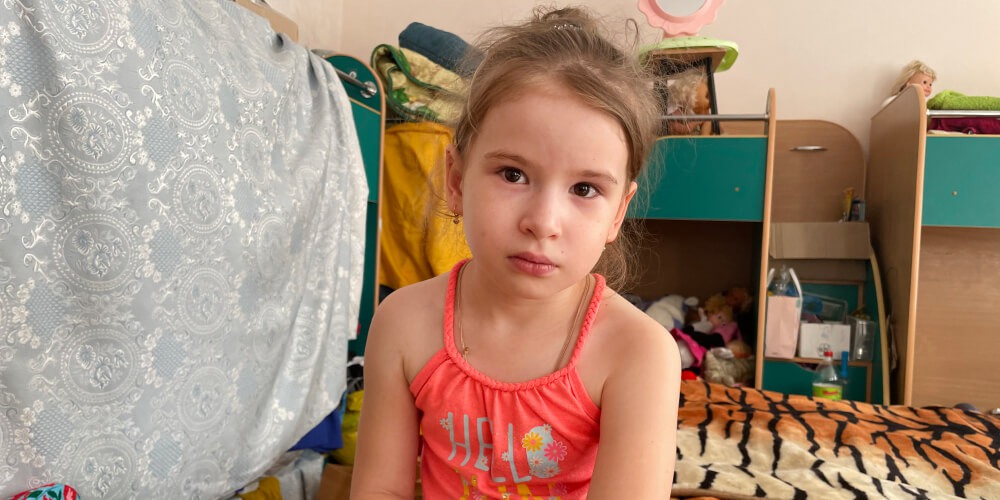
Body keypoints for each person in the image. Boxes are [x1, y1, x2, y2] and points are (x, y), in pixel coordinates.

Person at [350, 6, 681, 499]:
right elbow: (380, 490)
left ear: (617, 214)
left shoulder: (639, 353)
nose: (543, 222)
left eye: (585, 189)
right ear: (457, 181)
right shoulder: (402, 322)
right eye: (513, 174)